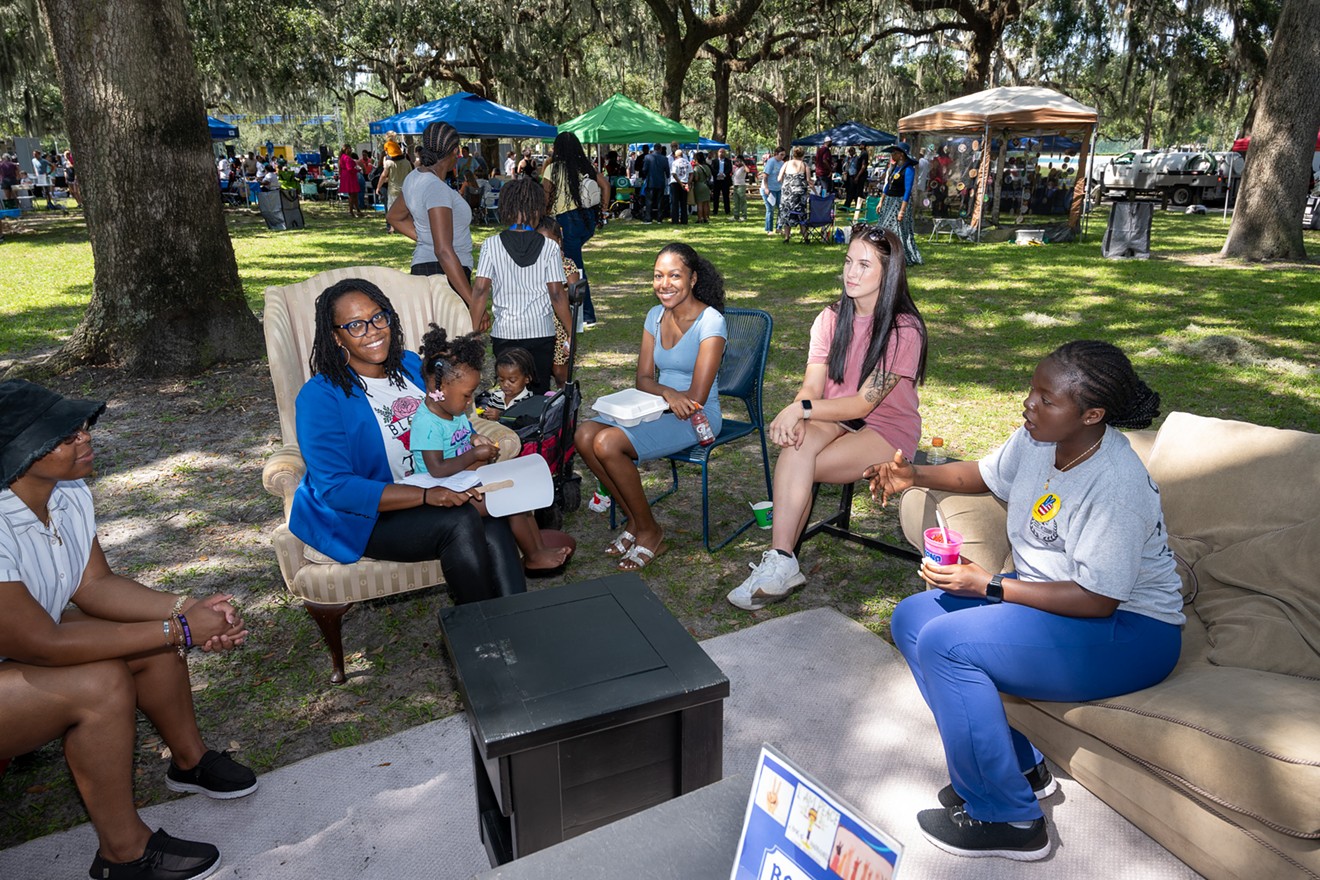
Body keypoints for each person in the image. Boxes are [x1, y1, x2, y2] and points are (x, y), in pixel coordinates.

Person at [868, 341, 1182, 862]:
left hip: (1130, 631)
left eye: (1046, 399)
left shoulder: (1115, 482)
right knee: (912, 618)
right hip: (1053, 606)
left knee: (947, 644)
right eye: (1032, 391)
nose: (1029, 406)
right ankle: (1017, 767)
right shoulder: (1040, 439)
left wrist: (989, 585)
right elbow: (985, 476)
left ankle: (1008, 816)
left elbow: (1098, 599)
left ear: (1092, 414)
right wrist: (914, 473)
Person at [0, 379, 255, 880]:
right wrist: (180, 629)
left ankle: (190, 761)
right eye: (64, 435)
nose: (84, 436)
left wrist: (189, 607)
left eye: (82, 426)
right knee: (102, 683)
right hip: (24, 649)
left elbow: (94, 585)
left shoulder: (67, 492)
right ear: (19, 455)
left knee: (144, 634)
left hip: (20, 653)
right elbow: (42, 644)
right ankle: (123, 855)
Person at [725, 227, 927, 610]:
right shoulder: (830, 318)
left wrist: (800, 411)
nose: (851, 272)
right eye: (848, 261)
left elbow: (862, 406)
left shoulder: (905, 329)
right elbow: (812, 387)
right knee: (798, 447)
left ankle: (781, 561)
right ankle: (782, 560)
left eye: (864, 265)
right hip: (833, 415)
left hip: (884, 427)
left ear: (890, 273)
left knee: (801, 461)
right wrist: (800, 410)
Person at [290, 278, 526, 601]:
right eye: (355, 325)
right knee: (461, 519)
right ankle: (482, 637)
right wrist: (426, 495)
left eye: (378, 317)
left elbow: (448, 414)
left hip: (439, 484)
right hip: (368, 513)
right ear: (335, 335)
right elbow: (337, 488)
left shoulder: (412, 366)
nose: (373, 331)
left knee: (494, 517)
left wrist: (469, 439)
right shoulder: (320, 398)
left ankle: (516, 623)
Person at [575, 243, 727, 572]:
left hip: (698, 416)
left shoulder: (711, 322)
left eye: (675, 275)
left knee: (607, 442)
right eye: (658, 276)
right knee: (585, 434)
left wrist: (672, 397)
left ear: (693, 279)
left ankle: (650, 532)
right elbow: (643, 378)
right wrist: (668, 394)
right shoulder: (655, 316)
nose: (664, 284)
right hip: (660, 405)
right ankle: (635, 521)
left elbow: (696, 396)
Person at [409, 327, 571, 575]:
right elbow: (437, 469)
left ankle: (537, 545)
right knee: (511, 500)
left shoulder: (453, 411)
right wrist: (473, 455)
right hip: (443, 495)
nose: (469, 402)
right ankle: (534, 555)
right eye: (466, 395)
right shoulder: (427, 423)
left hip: (467, 478)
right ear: (436, 389)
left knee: (521, 488)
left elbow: (464, 432)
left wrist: (475, 438)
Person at [469, 177, 572, 396]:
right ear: (537, 208)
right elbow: (557, 294)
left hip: (505, 333)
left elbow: (479, 291)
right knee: (538, 390)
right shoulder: (550, 247)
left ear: (506, 206)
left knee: (510, 390)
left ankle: (509, 428)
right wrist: (571, 331)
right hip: (541, 333)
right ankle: (536, 429)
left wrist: (472, 331)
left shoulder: (491, 245)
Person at [388, 121, 483, 331]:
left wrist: (425, 238)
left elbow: (395, 216)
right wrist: (473, 301)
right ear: (453, 152)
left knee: (432, 344)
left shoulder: (415, 178)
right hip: (446, 273)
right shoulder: (435, 188)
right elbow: (443, 250)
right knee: (453, 345)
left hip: (425, 268)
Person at [541, 131, 609, 327]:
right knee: (570, 265)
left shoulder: (553, 169)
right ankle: (571, 309)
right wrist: (603, 211)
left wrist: (543, 217)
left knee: (574, 269)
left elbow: (546, 196)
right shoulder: (585, 167)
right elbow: (605, 185)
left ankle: (587, 315)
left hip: (566, 220)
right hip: (586, 220)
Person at [537, 216, 578, 386]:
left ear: (559, 242)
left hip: (560, 326)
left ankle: (564, 404)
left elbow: (573, 292)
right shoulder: (532, 266)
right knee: (540, 373)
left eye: (550, 243)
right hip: (538, 325)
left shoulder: (566, 265)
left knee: (561, 373)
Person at [875, 142, 923, 266]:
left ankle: (902, 258)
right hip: (889, 202)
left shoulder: (909, 170)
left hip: (899, 203)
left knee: (899, 231)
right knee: (884, 228)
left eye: (894, 153)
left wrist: (902, 210)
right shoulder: (895, 167)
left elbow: (907, 191)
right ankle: (886, 255)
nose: (892, 154)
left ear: (901, 154)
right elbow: (887, 186)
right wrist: (881, 201)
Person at [478, 346, 537, 416]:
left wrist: (500, 416)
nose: (505, 384)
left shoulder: (529, 401)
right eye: (501, 380)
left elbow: (523, 423)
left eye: (512, 380)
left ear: (527, 379)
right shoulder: (496, 397)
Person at [375, 137, 413, 232]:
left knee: (392, 209)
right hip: (405, 190)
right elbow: (410, 176)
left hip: (393, 190)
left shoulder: (389, 163)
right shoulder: (407, 162)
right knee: (406, 210)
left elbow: (383, 176)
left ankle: (392, 228)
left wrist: (378, 187)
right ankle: (406, 227)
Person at [777, 146, 811, 235]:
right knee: (801, 214)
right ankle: (805, 236)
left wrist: (785, 184)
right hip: (800, 194)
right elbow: (808, 180)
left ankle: (787, 237)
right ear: (803, 155)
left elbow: (779, 178)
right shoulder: (804, 165)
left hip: (787, 193)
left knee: (786, 213)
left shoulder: (786, 164)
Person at [643, 144, 669, 225]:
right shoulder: (665, 158)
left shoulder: (647, 157)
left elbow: (644, 169)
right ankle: (659, 219)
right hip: (661, 182)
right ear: (660, 149)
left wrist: (644, 176)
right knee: (660, 201)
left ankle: (648, 218)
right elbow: (667, 171)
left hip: (650, 182)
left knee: (649, 201)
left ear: (654, 149)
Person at [668, 147, 691, 225]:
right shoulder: (687, 162)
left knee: (675, 202)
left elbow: (674, 174)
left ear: (675, 155)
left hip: (675, 183)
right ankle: (684, 220)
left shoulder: (675, 162)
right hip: (685, 182)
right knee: (683, 203)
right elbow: (691, 173)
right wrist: (688, 183)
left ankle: (675, 220)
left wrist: (680, 183)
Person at [690, 151, 712, 223]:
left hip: (699, 186)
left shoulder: (697, 168)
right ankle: (706, 218)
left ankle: (700, 218)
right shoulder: (707, 167)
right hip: (706, 185)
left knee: (700, 203)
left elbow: (696, 179)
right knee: (706, 203)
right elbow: (709, 176)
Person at [711, 148, 733, 215]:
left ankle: (727, 210)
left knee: (726, 196)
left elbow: (730, 169)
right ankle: (715, 211)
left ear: (725, 153)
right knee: (716, 196)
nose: (721, 153)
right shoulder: (714, 161)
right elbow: (712, 169)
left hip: (725, 181)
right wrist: (717, 174)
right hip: (717, 180)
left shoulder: (728, 161)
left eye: (723, 152)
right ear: (718, 153)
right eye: (720, 152)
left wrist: (724, 174)